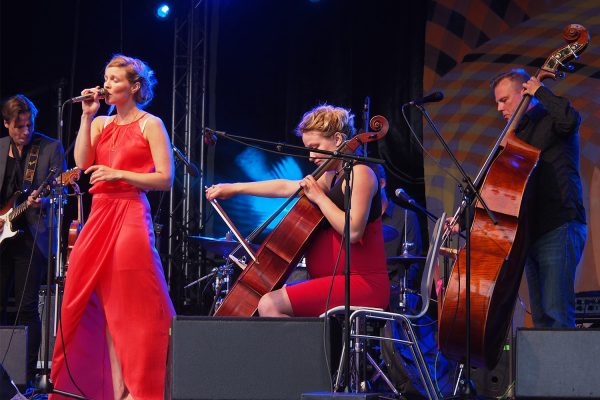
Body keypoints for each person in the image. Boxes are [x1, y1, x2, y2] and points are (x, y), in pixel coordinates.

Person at [50, 54, 175, 399]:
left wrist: (119, 174)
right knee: (96, 301)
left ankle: (142, 387)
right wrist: (87, 116)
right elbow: (82, 163)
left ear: (135, 87)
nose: (106, 85)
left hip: (131, 213)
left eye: (115, 80)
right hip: (100, 215)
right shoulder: (101, 123)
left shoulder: (151, 124)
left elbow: (165, 178)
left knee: (132, 305)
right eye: (105, 78)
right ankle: (117, 389)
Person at [206, 105, 390, 317]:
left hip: (361, 283)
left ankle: (308, 352)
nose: (311, 156)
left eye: (315, 147)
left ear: (338, 140)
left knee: (270, 304)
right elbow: (286, 187)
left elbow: (354, 232)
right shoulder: (331, 176)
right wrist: (235, 188)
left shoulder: (361, 173)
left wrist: (319, 198)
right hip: (333, 283)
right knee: (274, 299)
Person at [490, 68, 586, 327]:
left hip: (559, 225)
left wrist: (541, 90)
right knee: (542, 319)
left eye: (504, 100)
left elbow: (570, 120)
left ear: (524, 91)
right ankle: (549, 369)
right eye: (497, 102)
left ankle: (565, 369)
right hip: (532, 234)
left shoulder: (550, 118)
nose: (499, 108)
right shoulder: (516, 136)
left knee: (557, 315)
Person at [0, 94, 65, 385]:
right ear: (6, 125)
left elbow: (59, 191)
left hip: (33, 237)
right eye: (18, 127)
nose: (25, 131)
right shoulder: (0, 148)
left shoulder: (49, 147)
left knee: (27, 307)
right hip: (3, 237)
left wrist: (44, 201)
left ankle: (24, 379)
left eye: (29, 125)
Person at [374, 165, 422, 313]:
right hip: (369, 287)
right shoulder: (360, 220)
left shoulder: (406, 216)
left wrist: (394, 290)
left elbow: (413, 263)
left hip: (395, 292)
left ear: (382, 183)